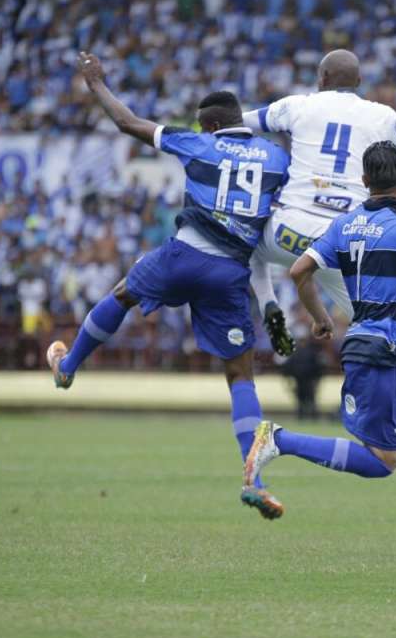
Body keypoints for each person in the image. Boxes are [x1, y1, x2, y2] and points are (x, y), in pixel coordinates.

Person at [46, 52, 292, 518]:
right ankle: (254, 480)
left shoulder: (198, 144)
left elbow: (127, 122)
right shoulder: (276, 157)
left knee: (122, 293)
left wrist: (97, 84)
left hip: (184, 254)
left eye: (203, 127)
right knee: (240, 375)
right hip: (230, 274)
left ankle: (68, 367)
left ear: (212, 125)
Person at [242, 141, 396, 559]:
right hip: (384, 352)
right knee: (382, 460)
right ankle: (279, 439)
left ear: (364, 182)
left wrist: (321, 316)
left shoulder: (344, 225)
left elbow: (298, 270)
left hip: (378, 347)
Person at [241, 49, 396, 355]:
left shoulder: (298, 105)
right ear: (359, 81)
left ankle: (268, 304)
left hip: (286, 232)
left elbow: (241, 123)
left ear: (322, 78)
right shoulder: (383, 116)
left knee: (246, 239)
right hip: (342, 242)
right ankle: (394, 380)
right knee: (375, 330)